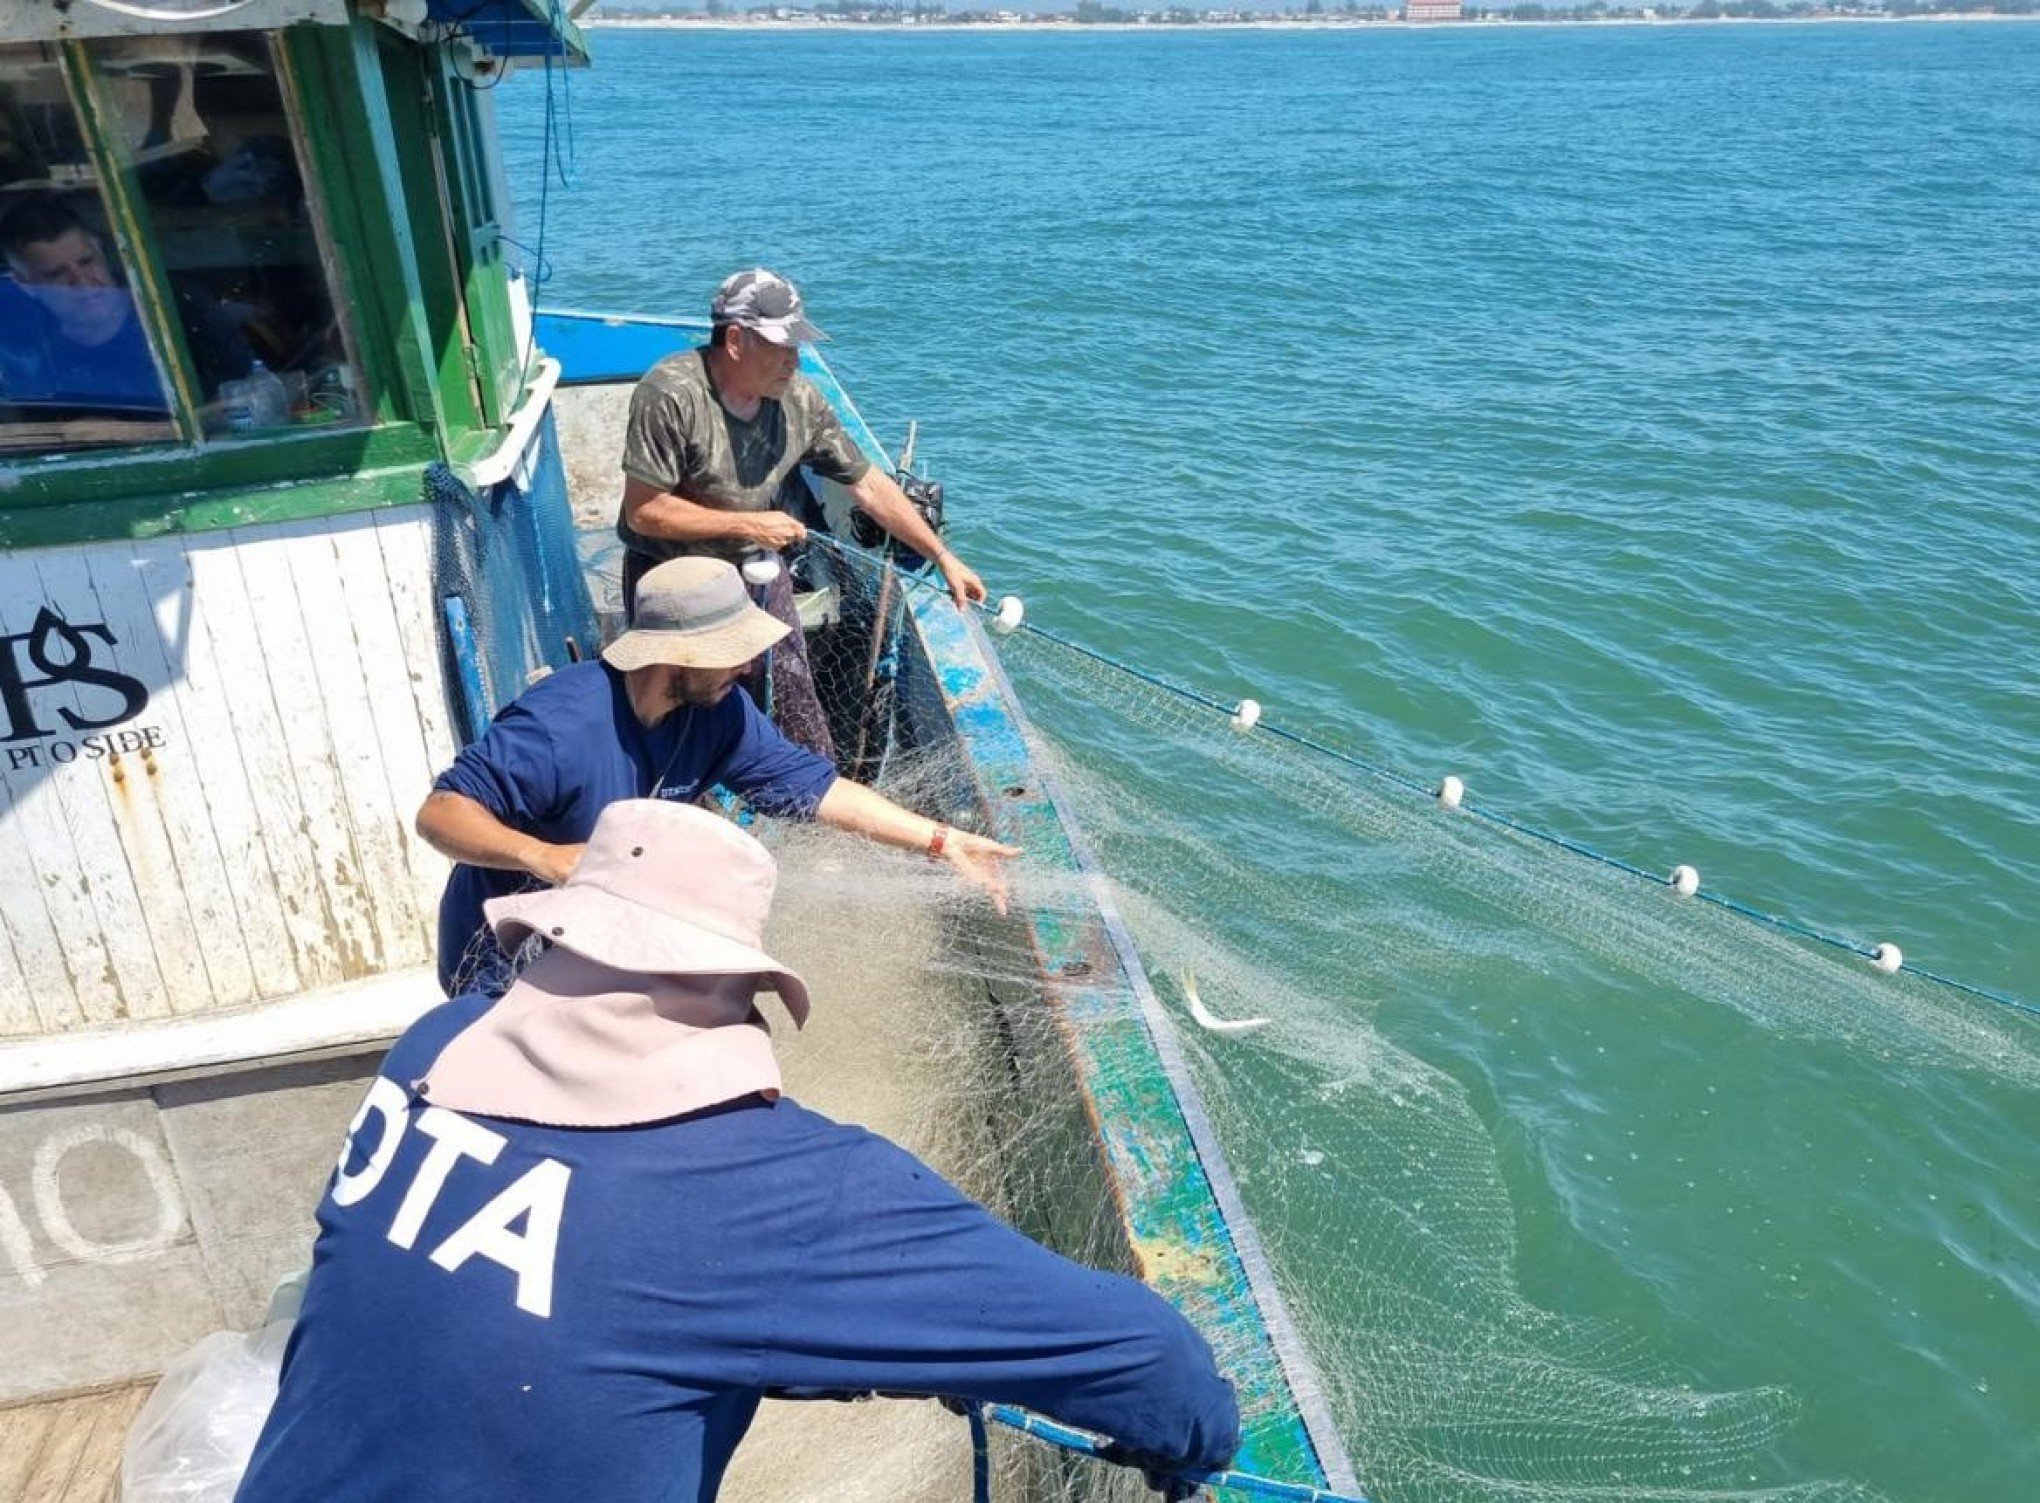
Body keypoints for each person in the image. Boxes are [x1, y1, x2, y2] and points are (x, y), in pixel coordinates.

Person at [236, 799, 1239, 1502]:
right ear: (734, 989)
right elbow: (1151, 1360)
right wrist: (1197, 1444)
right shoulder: (776, 1191)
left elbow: (586, 1302)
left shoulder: (432, 1049)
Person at [419, 554, 1018, 998]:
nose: (752, 661)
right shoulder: (560, 725)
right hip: (497, 960)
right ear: (678, 654)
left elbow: (822, 791)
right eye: (735, 648)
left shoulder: (721, 712)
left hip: (593, 947)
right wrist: (541, 856)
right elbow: (440, 813)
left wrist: (941, 842)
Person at [617, 267, 987, 758]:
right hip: (674, 579)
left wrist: (942, 556)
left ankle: (806, 795)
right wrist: (748, 523)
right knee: (677, 714)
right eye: (782, 346)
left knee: (795, 701)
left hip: (757, 568)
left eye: (799, 345)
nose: (795, 359)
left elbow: (868, 484)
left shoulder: (800, 400)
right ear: (735, 340)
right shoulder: (671, 394)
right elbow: (645, 512)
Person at [0, 193, 249, 416]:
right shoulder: (22, 348)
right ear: (24, 283)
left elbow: (242, 394)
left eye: (86, 262)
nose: (83, 283)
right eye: (56, 275)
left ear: (99, 249)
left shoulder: (176, 304)